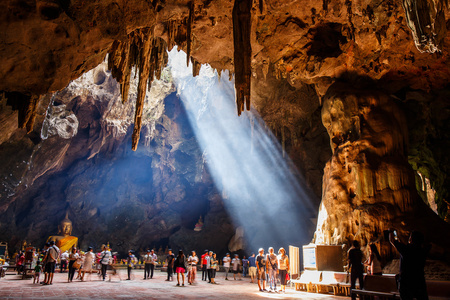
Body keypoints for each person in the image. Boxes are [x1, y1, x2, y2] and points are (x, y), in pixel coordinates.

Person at [390, 229, 429, 300]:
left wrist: (391, 232)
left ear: (411, 239)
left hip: (406, 283)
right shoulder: (423, 251)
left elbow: (392, 241)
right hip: (419, 281)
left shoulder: (406, 250)